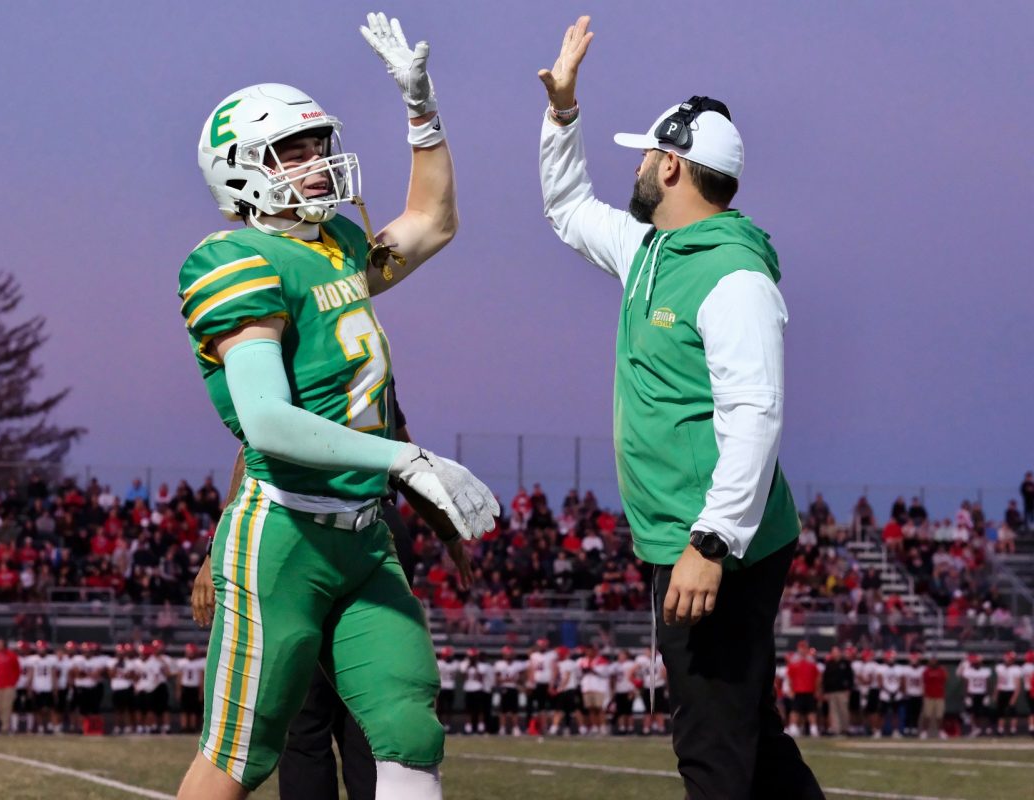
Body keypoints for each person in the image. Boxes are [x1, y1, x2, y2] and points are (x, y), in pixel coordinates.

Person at [174, 13, 497, 800]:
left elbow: (433, 222)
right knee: (239, 759)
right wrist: (406, 458)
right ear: (241, 168)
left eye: (319, 144)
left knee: (409, 730)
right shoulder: (235, 259)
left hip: (362, 534)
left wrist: (422, 111)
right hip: (284, 533)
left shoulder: (333, 249)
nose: (317, 161)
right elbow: (268, 421)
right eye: (293, 149)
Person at [537, 16, 822, 799]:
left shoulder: (733, 276)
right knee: (748, 738)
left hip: (718, 544)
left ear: (670, 165)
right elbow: (565, 210)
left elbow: (755, 417)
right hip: (685, 536)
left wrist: (712, 540)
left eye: (643, 154)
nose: (633, 166)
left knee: (711, 746)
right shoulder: (652, 250)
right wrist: (563, 112)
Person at [493, 646, 527, 736]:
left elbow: (522, 678)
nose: (509, 656)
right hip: (504, 688)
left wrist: (516, 680)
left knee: (515, 710)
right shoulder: (499, 664)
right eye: (507, 654)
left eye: (510, 654)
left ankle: (515, 728)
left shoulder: (518, 664)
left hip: (514, 688)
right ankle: (502, 728)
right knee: (503, 710)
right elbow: (497, 678)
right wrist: (506, 680)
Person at [0, 639, 21, 734]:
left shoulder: (12, 655)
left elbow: (17, 670)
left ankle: (5, 727)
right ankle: (5, 723)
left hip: (9, 685)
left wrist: (14, 682)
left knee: (7, 706)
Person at [821, 646, 853, 737]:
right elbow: (825, 678)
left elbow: (850, 677)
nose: (835, 653)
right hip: (831, 691)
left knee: (844, 710)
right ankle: (836, 729)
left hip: (842, 691)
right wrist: (825, 691)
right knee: (833, 711)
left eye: (837, 651)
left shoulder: (845, 663)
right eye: (833, 652)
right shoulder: (829, 663)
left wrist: (849, 689)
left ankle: (845, 729)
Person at [994, 651, 1023, 736]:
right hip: (1002, 690)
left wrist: (1014, 697)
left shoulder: (1016, 669)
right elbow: (998, 682)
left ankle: (1013, 730)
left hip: (1011, 691)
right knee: (1000, 712)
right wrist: (996, 693)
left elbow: (1018, 685)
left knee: (1012, 712)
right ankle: (1000, 730)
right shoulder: (1000, 667)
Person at [919, 655, 947, 739]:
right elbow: (924, 682)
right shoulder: (926, 671)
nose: (933, 663)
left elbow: (944, 680)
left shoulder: (942, 671)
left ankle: (941, 732)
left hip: (939, 696)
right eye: (931, 661)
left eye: (934, 661)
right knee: (927, 715)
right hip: (929, 696)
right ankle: (924, 732)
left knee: (940, 716)